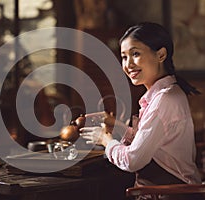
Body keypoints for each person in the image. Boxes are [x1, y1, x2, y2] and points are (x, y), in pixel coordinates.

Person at [80, 22, 202, 199]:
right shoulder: (165, 93)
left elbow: (133, 160)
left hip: (170, 194)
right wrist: (117, 126)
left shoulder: (164, 99)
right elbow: (153, 141)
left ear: (161, 55)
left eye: (135, 54)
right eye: (124, 57)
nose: (128, 64)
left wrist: (105, 140)